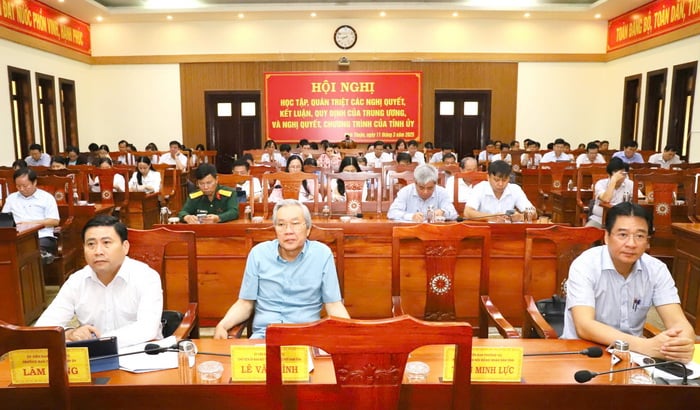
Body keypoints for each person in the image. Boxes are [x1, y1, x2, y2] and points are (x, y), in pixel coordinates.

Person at [562, 202, 695, 363]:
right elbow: (584, 326)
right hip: (585, 352)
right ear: (606, 237)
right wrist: (645, 346)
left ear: (647, 241)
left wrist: (683, 343)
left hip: (635, 357)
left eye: (640, 236)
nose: (631, 244)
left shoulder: (656, 269)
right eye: (622, 235)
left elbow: (679, 323)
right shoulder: (585, 265)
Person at [213, 199, 349, 339]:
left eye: (295, 224)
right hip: (264, 337)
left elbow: (333, 304)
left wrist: (354, 335)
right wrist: (223, 325)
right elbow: (245, 302)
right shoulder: (258, 254)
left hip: (307, 337)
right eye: (281, 225)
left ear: (308, 229)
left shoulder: (322, 254)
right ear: (275, 229)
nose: (288, 231)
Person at [35, 215, 163, 348]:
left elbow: (147, 329)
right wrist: (69, 333)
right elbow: (43, 328)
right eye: (91, 244)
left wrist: (97, 341)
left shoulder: (146, 277)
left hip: (141, 356)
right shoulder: (77, 281)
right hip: (94, 360)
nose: (98, 251)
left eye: (106, 243)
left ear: (125, 247)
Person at [2, 167, 59, 257]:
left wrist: (29, 224)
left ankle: (43, 257)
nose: (21, 189)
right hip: (16, 238)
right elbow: (4, 220)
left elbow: (54, 221)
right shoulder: (11, 198)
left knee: (29, 251)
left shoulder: (46, 198)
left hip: (41, 236)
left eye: (25, 186)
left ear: (34, 182)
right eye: (18, 186)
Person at [463, 160, 535, 222]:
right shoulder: (480, 188)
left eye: (504, 180)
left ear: (509, 178)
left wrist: (520, 217)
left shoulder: (515, 189)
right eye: (496, 180)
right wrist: (491, 217)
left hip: (507, 231)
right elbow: (467, 212)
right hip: (484, 230)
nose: (500, 184)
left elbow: (533, 212)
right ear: (488, 177)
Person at [387, 164, 458, 222]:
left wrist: (443, 212)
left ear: (435, 183)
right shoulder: (405, 192)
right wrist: (411, 216)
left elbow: (454, 214)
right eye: (421, 188)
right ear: (415, 182)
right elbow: (392, 213)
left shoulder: (442, 192)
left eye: (430, 188)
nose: (425, 192)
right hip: (411, 233)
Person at [585, 157, 634, 228]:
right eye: (619, 174)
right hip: (600, 218)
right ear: (609, 175)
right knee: (585, 234)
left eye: (624, 174)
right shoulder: (600, 184)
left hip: (623, 220)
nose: (622, 177)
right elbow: (606, 199)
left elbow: (640, 198)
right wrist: (613, 181)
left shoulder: (630, 184)